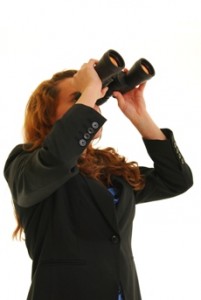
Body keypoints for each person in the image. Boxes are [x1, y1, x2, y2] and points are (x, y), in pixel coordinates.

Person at [4, 58, 193, 300]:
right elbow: (57, 159)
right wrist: (90, 89)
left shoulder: (109, 169)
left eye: (96, 98)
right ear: (47, 115)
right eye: (78, 98)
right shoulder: (25, 163)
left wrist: (140, 116)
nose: (93, 103)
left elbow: (176, 180)